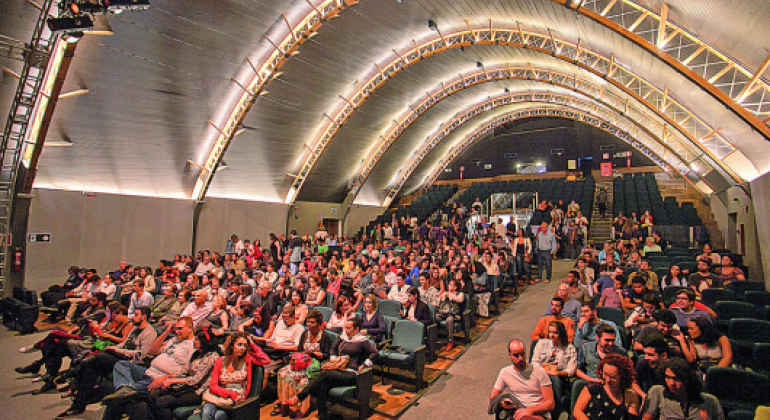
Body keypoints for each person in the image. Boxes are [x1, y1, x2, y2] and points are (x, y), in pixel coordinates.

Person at [100, 328, 223, 420]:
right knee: (149, 396)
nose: (194, 341)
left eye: (197, 339)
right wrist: (166, 378)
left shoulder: (211, 357)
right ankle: (125, 392)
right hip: (181, 385)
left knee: (160, 401)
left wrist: (171, 381)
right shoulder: (196, 354)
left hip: (196, 391)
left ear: (204, 342)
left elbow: (196, 380)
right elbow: (182, 372)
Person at [283, 317, 377, 420]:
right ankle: (323, 416)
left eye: (349, 328)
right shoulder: (344, 337)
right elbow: (333, 348)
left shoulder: (362, 340)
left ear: (357, 329)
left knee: (324, 374)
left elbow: (375, 353)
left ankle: (300, 397)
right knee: (321, 384)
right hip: (339, 369)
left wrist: (365, 364)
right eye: (346, 327)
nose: (346, 330)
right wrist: (334, 358)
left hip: (352, 373)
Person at [102, 316, 196, 403]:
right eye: (175, 328)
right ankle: (125, 388)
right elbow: (152, 351)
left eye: (180, 329)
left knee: (121, 396)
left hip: (158, 378)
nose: (177, 331)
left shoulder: (192, 346)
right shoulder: (174, 339)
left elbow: (187, 373)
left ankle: (126, 390)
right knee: (121, 364)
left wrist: (164, 378)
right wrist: (166, 332)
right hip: (148, 371)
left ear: (190, 328)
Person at [275, 310, 333, 417]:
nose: (309, 325)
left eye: (312, 322)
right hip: (302, 361)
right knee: (282, 374)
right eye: (308, 322)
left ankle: (299, 410)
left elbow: (327, 355)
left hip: (315, 364)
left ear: (318, 324)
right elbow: (300, 350)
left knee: (300, 380)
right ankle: (284, 405)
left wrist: (314, 353)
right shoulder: (305, 334)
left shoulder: (324, 336)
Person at [200, 333, 270, 420]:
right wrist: (231, 394)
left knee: (219, 416)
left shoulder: (247, 359)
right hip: (218, 394)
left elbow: (266, 360)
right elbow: (213, 386)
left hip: (235, 398)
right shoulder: (220, 361)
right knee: (207, 414)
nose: (242, 348)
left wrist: (252, 344)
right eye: (239, 344)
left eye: (245, 346)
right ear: (232, 345)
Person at [489, 339, 555, 420]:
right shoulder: (505, 372)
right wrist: (502, 403)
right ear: (509, 355)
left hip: (538, 413)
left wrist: (530, 410)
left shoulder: (539, 371)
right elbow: (493, 395)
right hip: (518, 411)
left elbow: (550, 403)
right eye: (516, 355)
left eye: (522, 354)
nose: (520, 358)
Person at [641, 358, 724, 420]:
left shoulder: (709, 401)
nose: (671, 383)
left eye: (676, 379)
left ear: (687, 379)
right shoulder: (658, 392)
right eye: (668, 377)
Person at [573, 354, 640, 420]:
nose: (608, 380)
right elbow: (577, 411)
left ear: (623, 377)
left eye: (613, 377)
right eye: (605, 374)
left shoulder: (630, 396)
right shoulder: (593, 388)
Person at [531, 321, 577, 413]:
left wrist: (557, 373)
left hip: (559, 376)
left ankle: (555, 411)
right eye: (550, 332)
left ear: (561, 333)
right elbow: (534, 362)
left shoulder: (570, 348)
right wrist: (544, 372)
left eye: (555, 333)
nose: (551, 335)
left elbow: (571, 370)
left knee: (554, 380)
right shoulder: (541, 343)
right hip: (541, 374)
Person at [436, 278, 465, 350]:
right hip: (443, 312)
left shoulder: (460, 294)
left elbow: (459, 300)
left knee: (449, 320)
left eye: (451, 284)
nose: (449, 285)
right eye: (449, 284)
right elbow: (438, 302)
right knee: (435, 317)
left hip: (454, 314)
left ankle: (450, 341)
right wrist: (442, 297)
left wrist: (450, 294)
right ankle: (435, 337)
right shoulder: (446, 293)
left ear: (455, 287)